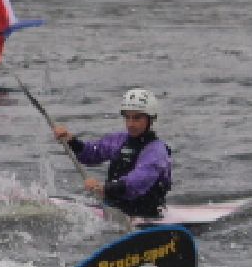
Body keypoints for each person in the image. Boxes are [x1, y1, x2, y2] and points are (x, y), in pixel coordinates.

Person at [52, 89, 173, 220]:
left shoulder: (156, 151)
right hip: (114, 209)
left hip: (146, 215)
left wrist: (104, 188)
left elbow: (136, 183)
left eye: (137, 118)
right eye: (127, 117)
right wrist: (71, 141)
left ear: (150, 119)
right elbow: (92, 153)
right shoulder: (120, 140)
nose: (130, 124)